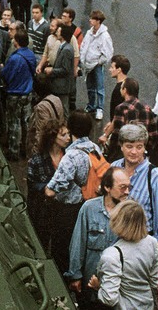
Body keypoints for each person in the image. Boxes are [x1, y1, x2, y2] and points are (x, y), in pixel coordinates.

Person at [45, 111, 103, 275]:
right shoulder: (95, 148)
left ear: (70, 130)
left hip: (68, 210)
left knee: (62, 248)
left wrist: (47, 190)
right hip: (90, 203)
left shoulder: (71, 155)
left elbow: (53, 189)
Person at [67, 167, 130, 309]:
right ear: (107, 187)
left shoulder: (130, 211)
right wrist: (75, 275)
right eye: (122, 187)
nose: (127, 192)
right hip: (90, 284)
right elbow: (78, 243)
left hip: (117, 287)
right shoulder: (89, 208)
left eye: (128, 187)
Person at [88, 200, 158, 310]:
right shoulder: (152, 242)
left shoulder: (112, 255)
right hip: (147, 305)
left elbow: (109, 299)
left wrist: (98, 287)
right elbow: (154, 282)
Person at [110, 124, 158, 248]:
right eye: (129, 146)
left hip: (140, 242)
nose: (134, 152)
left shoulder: (155, 176)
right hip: (112, 238)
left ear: (144, 147)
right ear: (121, 146)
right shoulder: (113, 167)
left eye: (139, 147)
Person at [27, 118, 70, 253]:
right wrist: (45, 188)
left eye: (68, 134)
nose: (68, 138)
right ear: (53, 138)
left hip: (63, 209)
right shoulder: (37, 160)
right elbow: (32, 184)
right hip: (43, 210)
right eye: (63, 135)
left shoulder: (70, 157)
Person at [101, 78, 158, 163]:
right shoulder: (147, 108)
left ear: (125, 90)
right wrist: (145, 149)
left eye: (121, 88)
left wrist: (111, 152)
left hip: (124, 153)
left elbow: (117, 134)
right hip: (141, 150)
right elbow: (153, 133)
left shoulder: (121, 108)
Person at [2, 29, 37, 161]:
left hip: (14, 94)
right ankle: (26, 149)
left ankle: (13, 151)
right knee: (26, 122)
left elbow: (6, 74)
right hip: (27, 93)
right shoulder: (31, 55)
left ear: (16, 42)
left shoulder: (15, 58)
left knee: (14, 123)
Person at [80, 10, 113, 121]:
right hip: (88, 64)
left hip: (97, 65)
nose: (90, 20)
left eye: (92, 19)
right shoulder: (89, 33)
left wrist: (99, 62)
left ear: (98, 21)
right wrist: (83, 60)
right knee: (90, 86)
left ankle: (100, 108)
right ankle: (91, 105)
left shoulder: (104, 36)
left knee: (99, 87)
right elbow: (84, 45)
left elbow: (108, 52)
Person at [44, 24, 75, 118]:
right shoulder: (63, 47)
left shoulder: (67, 50)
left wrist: (52, 71)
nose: (56, 32)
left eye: (58, 31)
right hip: (59, 85)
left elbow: (65, 69)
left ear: (63, 34)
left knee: (64, 109)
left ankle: (66, 128)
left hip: (63, 86)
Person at [108, 55, 130, 121]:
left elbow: (116, 115)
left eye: (112, 67)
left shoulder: (118, 90)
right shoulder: (130, 85)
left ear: (119, 70)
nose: (110, 69)